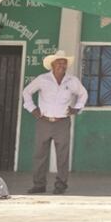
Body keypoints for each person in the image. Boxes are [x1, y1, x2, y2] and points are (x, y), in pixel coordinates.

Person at [21, 50, 88, 194]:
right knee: (40, 155)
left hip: (62, 123)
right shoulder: (42, 79)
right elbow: (26, 92)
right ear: (52, 64)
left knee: (62, 156)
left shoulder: (72, 81)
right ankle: (39, 185)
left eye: (64, 63)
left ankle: (61, 186)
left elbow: (83, 94)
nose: (62, 65)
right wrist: (32, 108)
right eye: (59, 62)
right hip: (43, 121)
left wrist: (77, 109)